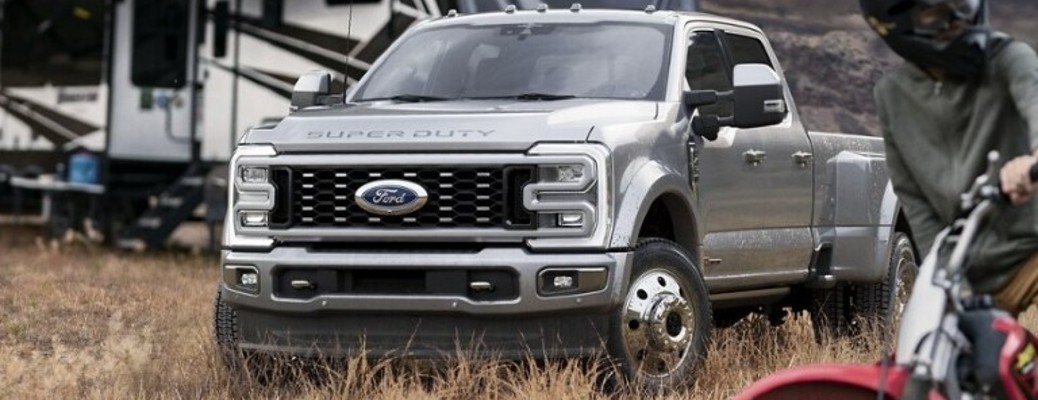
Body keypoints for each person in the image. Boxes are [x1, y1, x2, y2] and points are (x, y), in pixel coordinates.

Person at [860, 0, 1038, 316]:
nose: (958, 18)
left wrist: (1030, 165)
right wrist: (942, 277)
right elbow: (915, 202)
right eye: (936, 10)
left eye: (961, 3)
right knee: (927, 361)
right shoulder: (893, 96)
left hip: (1029, 252)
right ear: (898, 22)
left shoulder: (1009, 58)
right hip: (962, 272)